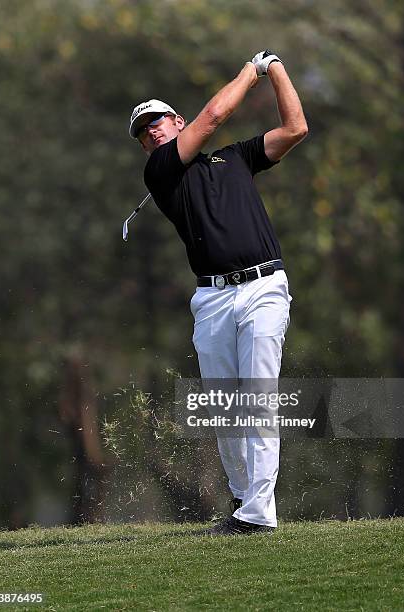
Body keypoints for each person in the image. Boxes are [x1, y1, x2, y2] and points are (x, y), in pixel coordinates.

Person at [129, 50, 308, 535]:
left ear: (175, 120)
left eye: (158, 122)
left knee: (259, 395)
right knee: (225, 404)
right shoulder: (161, 172)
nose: (152, 132)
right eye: (144, 132)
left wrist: (278, 71)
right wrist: (251, 70)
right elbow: (214, 116)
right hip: (211, 299)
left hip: (265, 287)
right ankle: (243, 495)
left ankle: (258, 512)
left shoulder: (236, 158)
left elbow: (295, 129)